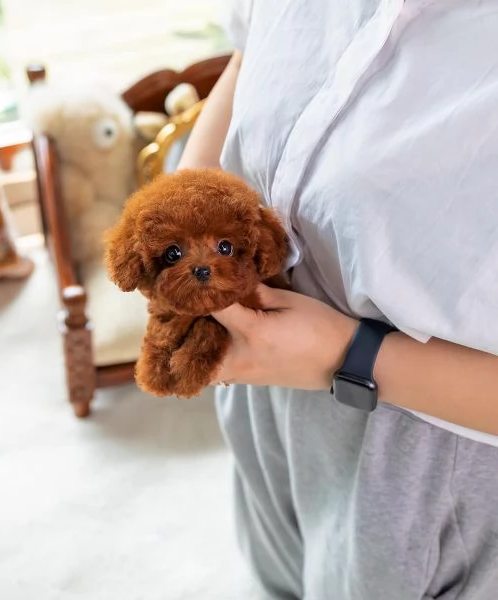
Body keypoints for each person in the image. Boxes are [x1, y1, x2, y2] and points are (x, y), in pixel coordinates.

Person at [178, 1, 498, 599]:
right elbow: (249, 59)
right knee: (280, 571)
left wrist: (349, 356)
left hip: (425, 440)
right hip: (270, 382)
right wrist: (183, 211)